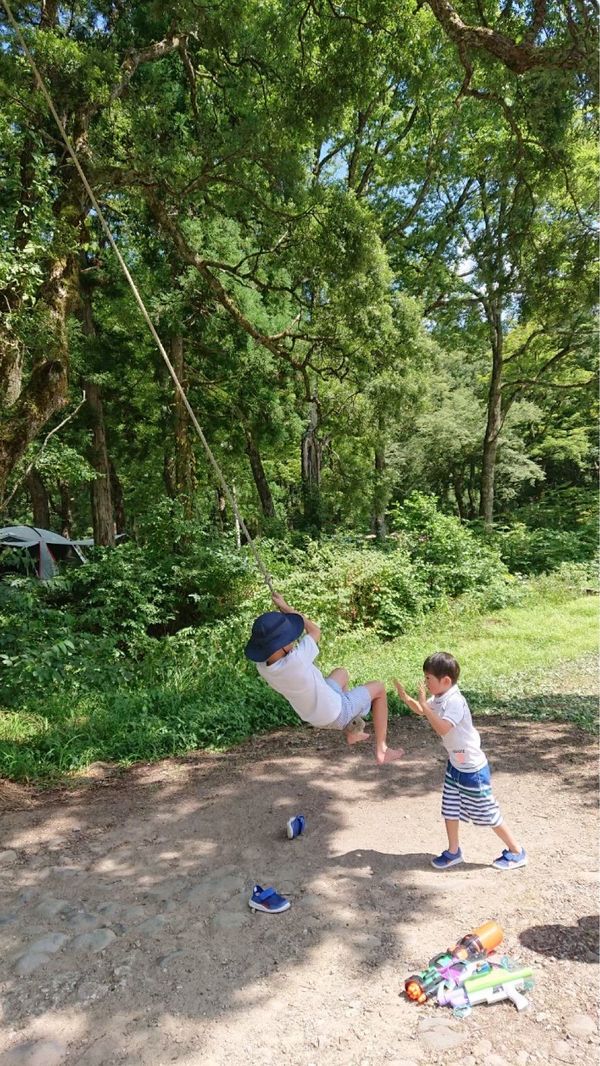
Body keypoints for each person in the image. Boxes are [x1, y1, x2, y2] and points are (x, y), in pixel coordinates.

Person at [394, 651, 527, 871]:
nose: (426, 683)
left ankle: (516, 851)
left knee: (487, 811)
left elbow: (443, 727)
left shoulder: (455, 701)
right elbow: (421, 710)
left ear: (445, 680)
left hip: (472, 769)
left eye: (428, 679)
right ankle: (453, 851)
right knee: (450, 809)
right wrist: (406, 698)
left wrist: (425, 707)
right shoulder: (439, 697)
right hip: (455, 765)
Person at [245, 592, 403, 765]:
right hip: (335, 711)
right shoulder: (296, 660)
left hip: (313, 713)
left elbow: (276, 653)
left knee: (341, 673)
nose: (292, 642)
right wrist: (286, 608)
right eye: (288, 639)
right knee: (379, 688)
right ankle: (382, 750)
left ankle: (352, 729)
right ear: (281, 645)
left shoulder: (264, 668)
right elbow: (315, 631)